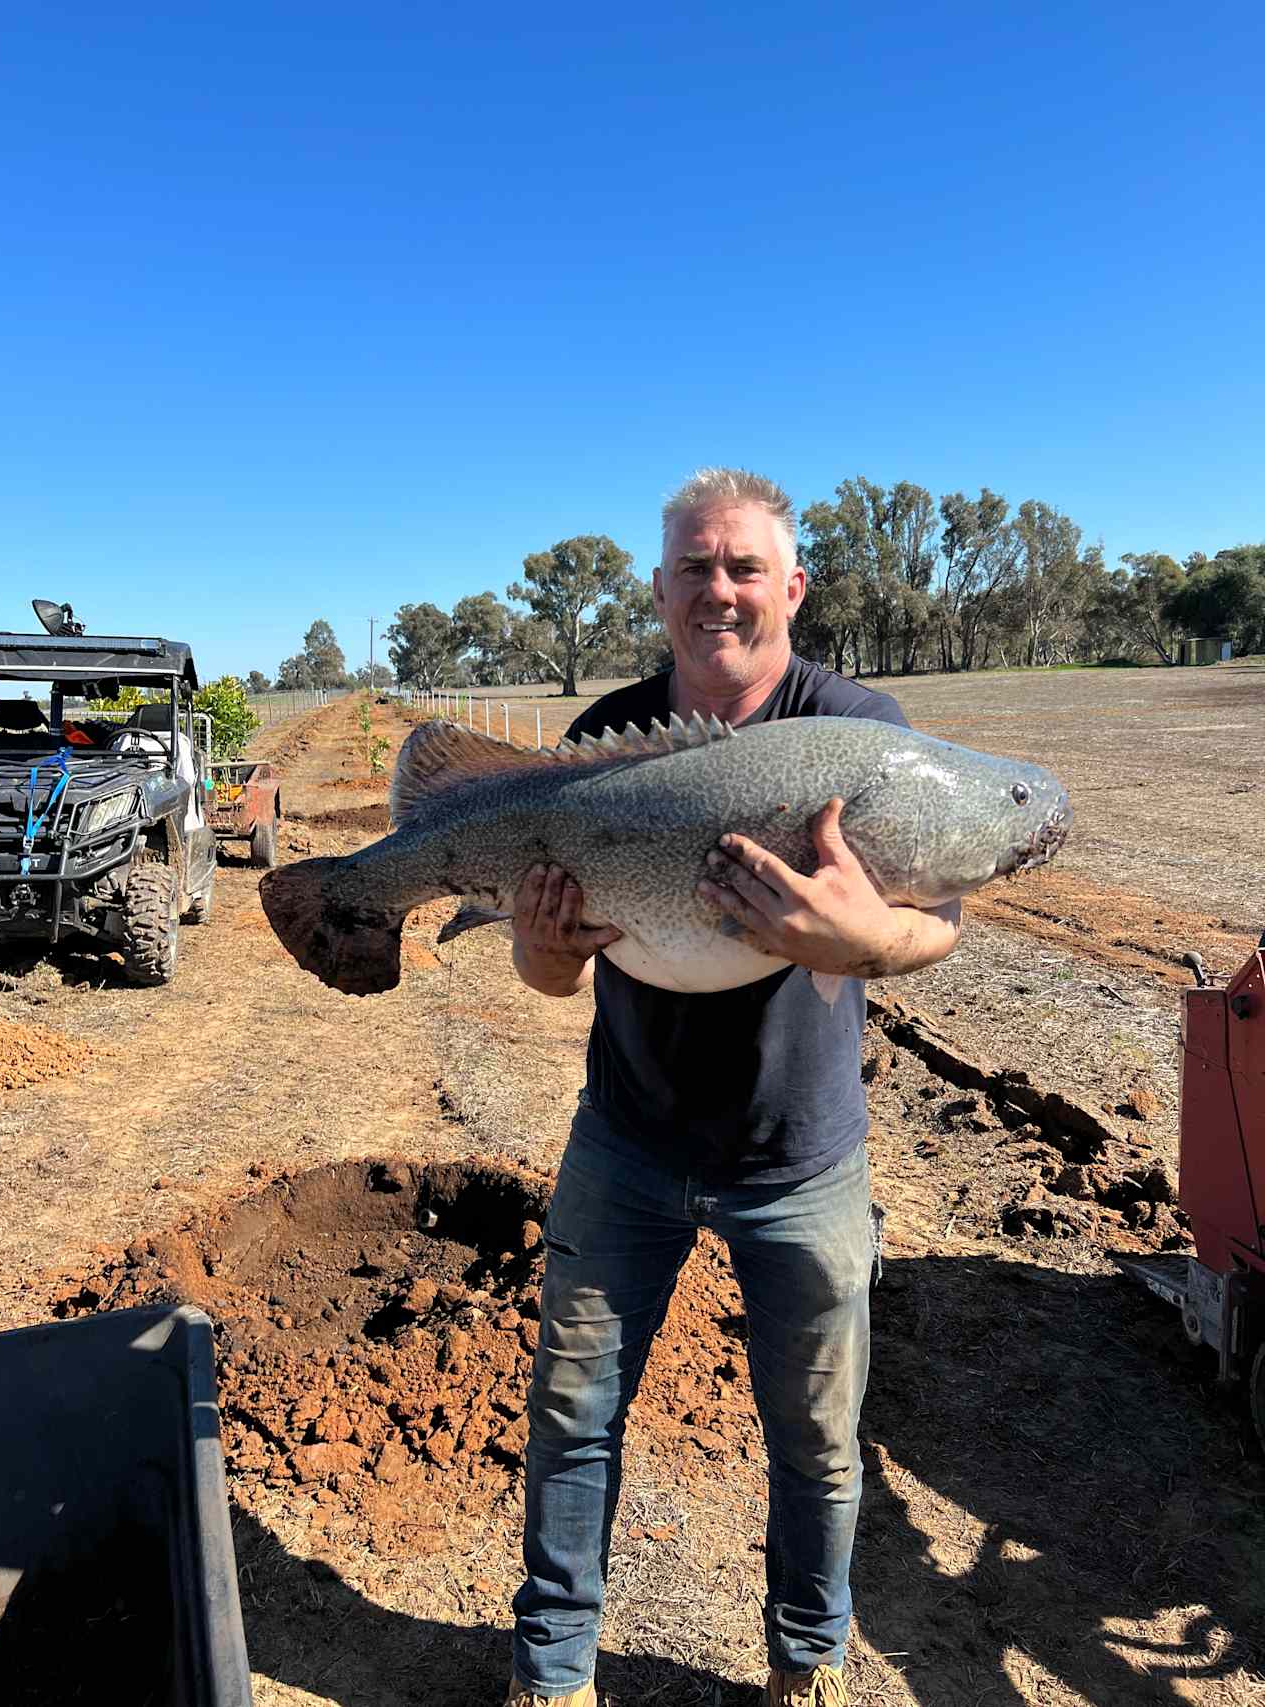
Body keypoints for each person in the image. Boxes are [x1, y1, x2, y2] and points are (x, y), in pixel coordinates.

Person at [503, 468, 962, 1707]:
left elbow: (936, 929)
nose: (719, 590)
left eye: (743, 567)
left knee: (815, 1442)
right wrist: (543, 947)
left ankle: (806, 1665)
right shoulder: (607, 732)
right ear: (658, 591)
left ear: (791, 587)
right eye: (694, 568)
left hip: (798, 1155)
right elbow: (546, 977)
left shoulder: (858, 737)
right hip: (627, 1139)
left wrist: (853, 941)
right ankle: (549, 1676)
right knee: (573, 1414)